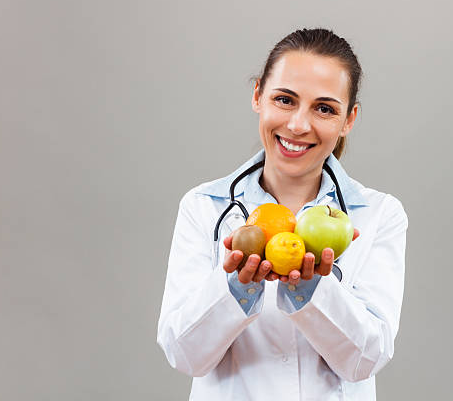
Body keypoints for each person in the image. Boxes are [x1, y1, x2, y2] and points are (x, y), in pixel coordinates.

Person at [157, 28, 408, 400]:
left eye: (324, 108)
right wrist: (237, 286)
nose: (298, 125)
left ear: (348, 120)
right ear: (258, 95)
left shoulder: (377, 215)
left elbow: (366, 359)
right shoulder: (204, 206)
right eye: (285, 99)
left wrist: (311, 288)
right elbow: (183, 354)